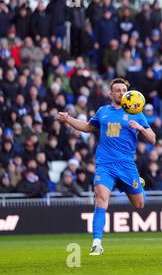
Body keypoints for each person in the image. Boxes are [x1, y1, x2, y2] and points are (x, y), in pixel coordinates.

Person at [57, 78, 156, 255]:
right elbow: (87, 127)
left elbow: (152, 139)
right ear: (110, 94)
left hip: (126, 166)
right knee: (101, 198)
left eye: (123, 89)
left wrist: (140, 128)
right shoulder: (103, 111)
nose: (120, 92)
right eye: (117, 90)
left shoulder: (136, 112)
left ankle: (135, 182)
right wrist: (68, 119)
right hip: (105, 164)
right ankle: (96, 243)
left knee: (139, 205)